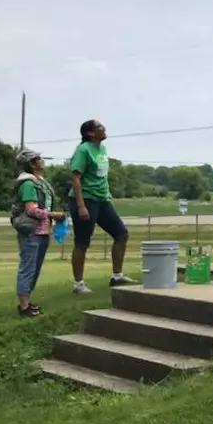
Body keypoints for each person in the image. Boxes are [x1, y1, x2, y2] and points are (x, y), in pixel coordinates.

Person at [67, 119, 134, 294]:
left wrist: (107, 193)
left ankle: (117, 276)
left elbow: (101, 175)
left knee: (121, 234)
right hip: (85, 200)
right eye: (99, 127)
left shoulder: (102, 149)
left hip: (102, 200)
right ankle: (78, 284)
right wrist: (81, 206)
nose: (104, 129)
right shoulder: (83, 150)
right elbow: (75, 178)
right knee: (82, 242)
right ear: (90, 133)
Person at [9, 149, 67, 317]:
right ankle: (24, 306)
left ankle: (27, 301)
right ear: (31, 164)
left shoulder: (40, 182)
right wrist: (54, 215)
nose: (41, 161)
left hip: (43, 231)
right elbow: (32, 210)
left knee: (35, 267)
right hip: (31, 231)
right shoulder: (28, 183)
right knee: (27, 267)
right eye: (37, 159)